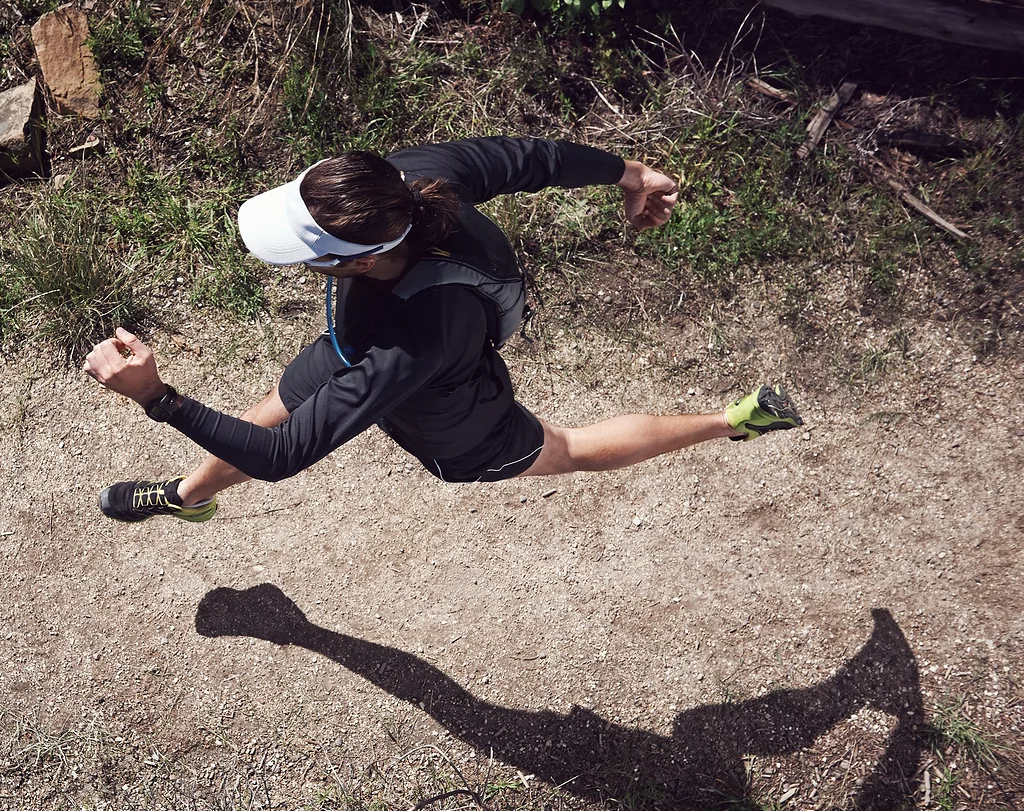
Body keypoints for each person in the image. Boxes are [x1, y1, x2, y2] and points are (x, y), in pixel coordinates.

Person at [83, 136, 803, 523]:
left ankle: (730, 421)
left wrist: (158, 397)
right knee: (268, 406)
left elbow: (282, 458)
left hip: (447, 408)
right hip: (349, 349)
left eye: (306, 256)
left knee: (567, 448)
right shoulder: (411, 178)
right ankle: (187, 497)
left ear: (360, 259)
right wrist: (631, 173)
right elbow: (535, 160)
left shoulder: (413, 337)